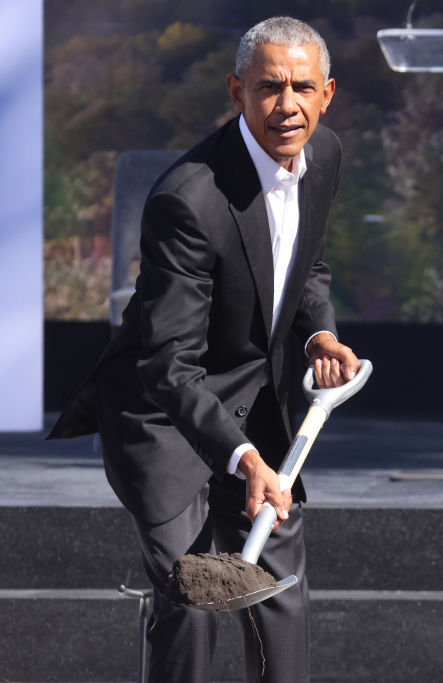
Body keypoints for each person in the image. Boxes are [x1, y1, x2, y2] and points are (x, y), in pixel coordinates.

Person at [48, 16, 358, 683]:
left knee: (277, 590)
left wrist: (318, 332)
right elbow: (168, 364)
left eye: (302, 87)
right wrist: (245, 461)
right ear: (236, 91)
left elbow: (306, 266)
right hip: (161, 416)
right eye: (269, 87)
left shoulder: (324, 154)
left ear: (327, 93)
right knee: (192, 596)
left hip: (254, 401)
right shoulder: (186, 200)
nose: (288, 105)